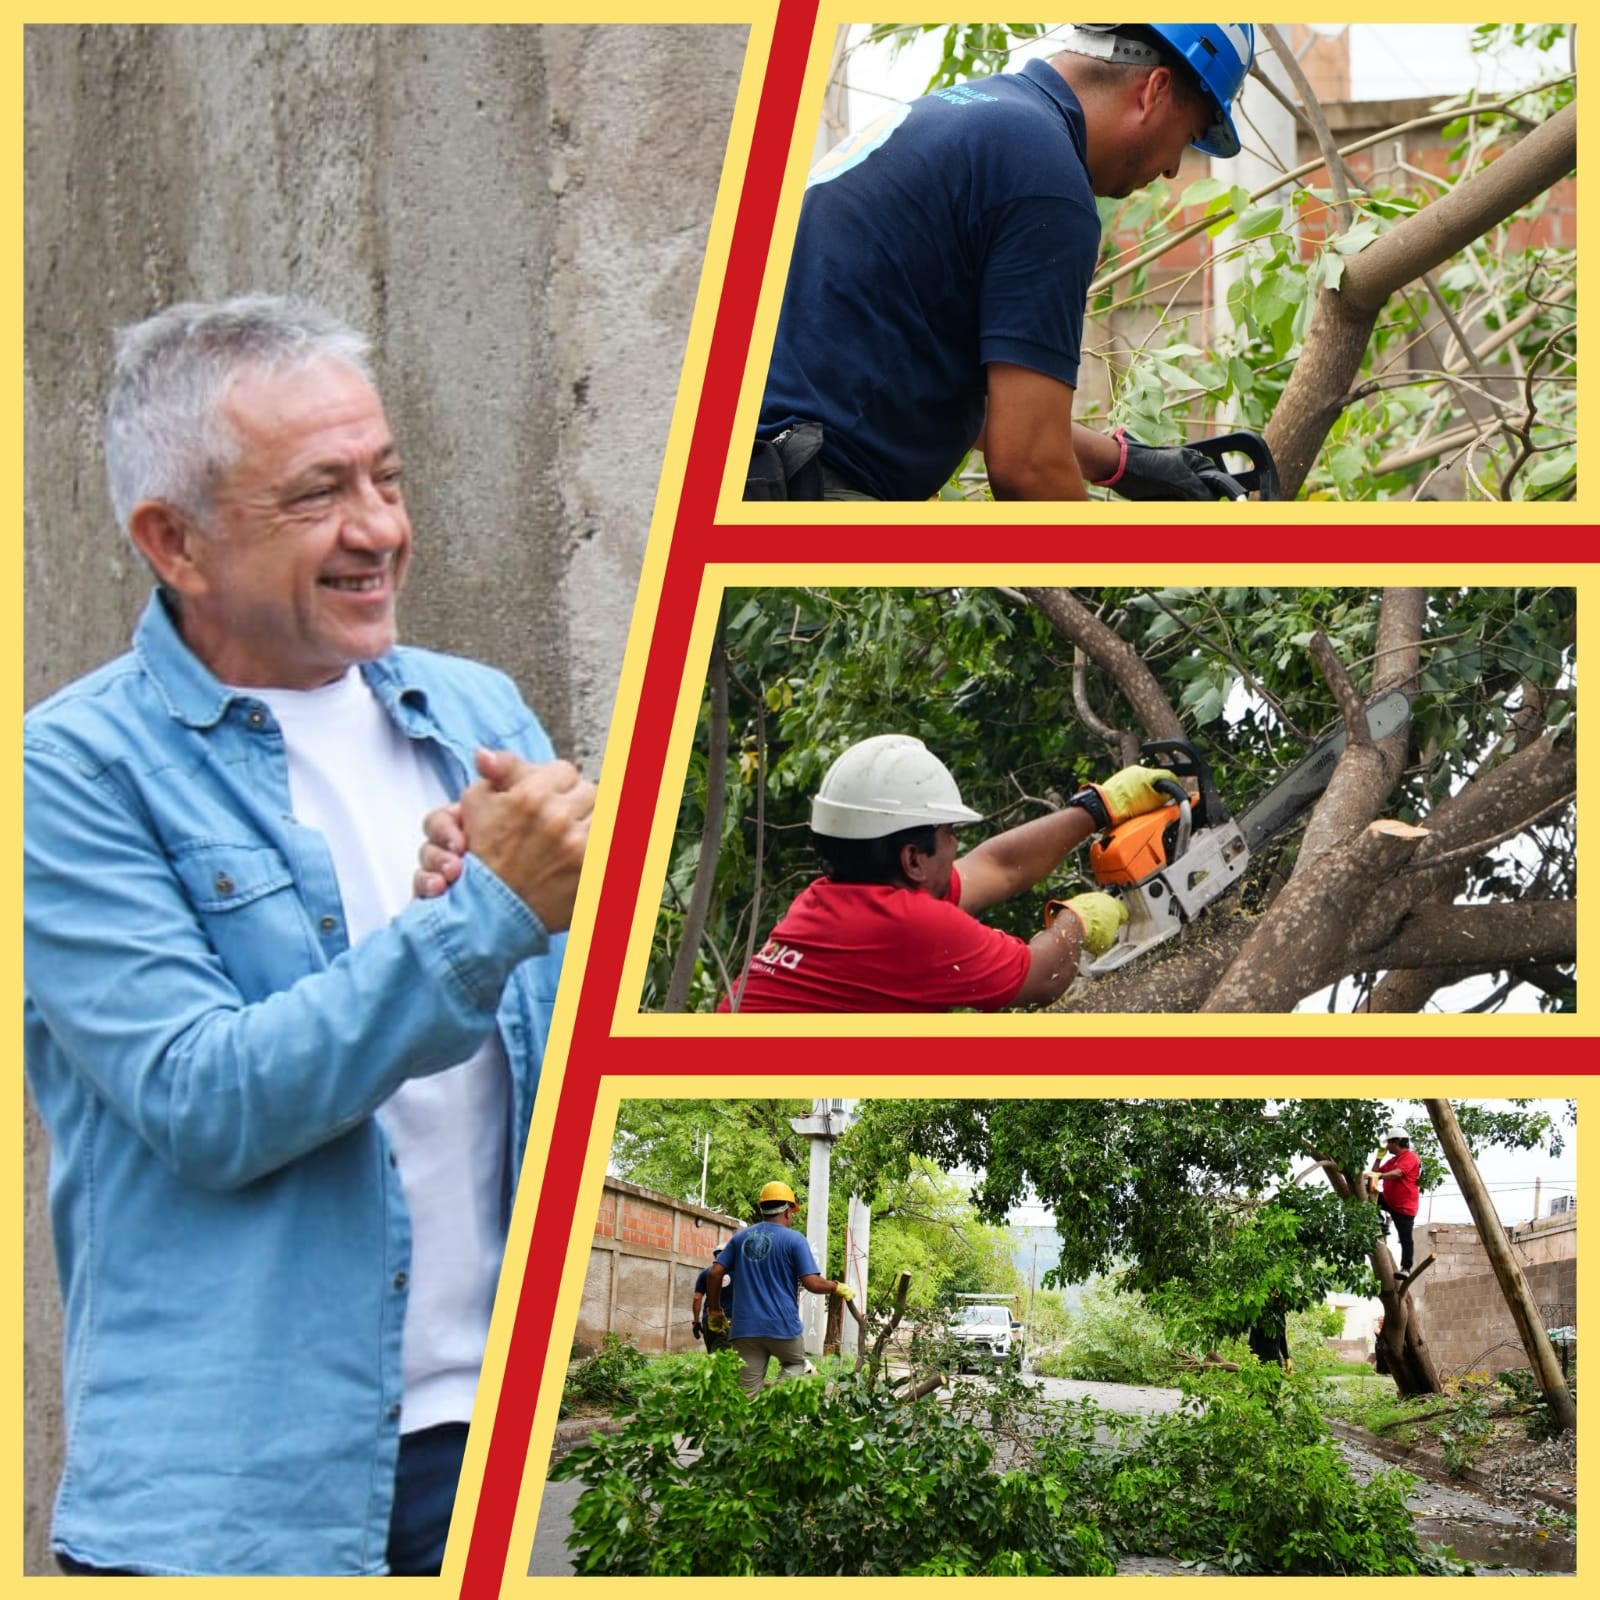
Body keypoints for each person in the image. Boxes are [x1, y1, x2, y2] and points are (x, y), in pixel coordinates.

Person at [23, 294, 595, 1577]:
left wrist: (555, 896)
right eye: (319, 495)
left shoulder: (472, 707)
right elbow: (204, 1096)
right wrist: (483, 920)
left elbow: (564, 1039)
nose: (379, 529)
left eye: (387, 477)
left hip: (486, 1450)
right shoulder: (70, 774)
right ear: (174, 541)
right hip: (233, 1502)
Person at [752, 23, 1256, 501]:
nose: (1172, 168)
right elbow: (1027, 468)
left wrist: (1120, 463)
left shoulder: (969, 117)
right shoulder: (1048, 183)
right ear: (1155, 90)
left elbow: (920, 389)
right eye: (1187, 137)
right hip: (801, 491)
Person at [720, 733, 1180, 1012]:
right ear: (912, 860)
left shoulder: (828, 900)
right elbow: (1043, 979)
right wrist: (1078, 921)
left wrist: (1096, 808)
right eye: (948, 832)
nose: (957, 844)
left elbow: (994, 867)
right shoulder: (912, 927)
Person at [705, 1183, 853, 1395]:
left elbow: (714, 1273)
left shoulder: (740, 1238)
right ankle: (775, 1400)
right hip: (782, 1327)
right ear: (787, 1211)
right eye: (792, 1212)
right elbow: (812, 1283)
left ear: (762, 1208)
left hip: (745, 1329)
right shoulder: (795, 1239)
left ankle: (747, 1423)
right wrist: (837, 1286)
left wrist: (714, 1310)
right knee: (796, 1364)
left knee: (745, 1394)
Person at [1364, 1127, 1422, 1278]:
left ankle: (1406, 1268)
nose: (1387, 1147)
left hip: (1404, 1207)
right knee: (1367, 1195)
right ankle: (1380, 1222)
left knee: (1405, 1238)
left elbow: (1397, 1174)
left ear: (1396, 1142)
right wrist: (1378, 1158)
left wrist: (1380, 1176)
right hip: (1390, 1200)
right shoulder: (1392, 1160)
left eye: (1388, 1143)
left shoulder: (1410, 1157)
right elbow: (1374, 1173)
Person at [692, 1262, 734, 1355]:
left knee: (713, 1355)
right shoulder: (737, 1273)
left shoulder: (706, 1272)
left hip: (709, 1320)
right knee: (720, 1359)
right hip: (727, 1321)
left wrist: (696, 1322)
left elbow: (697, 1298)